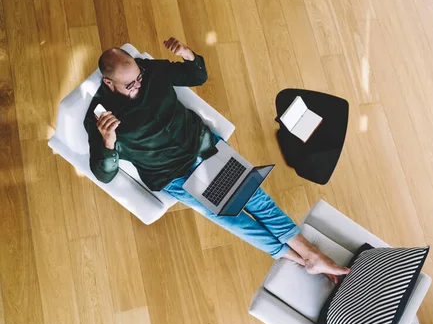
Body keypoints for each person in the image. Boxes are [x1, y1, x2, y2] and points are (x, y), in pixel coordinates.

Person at [84, 37, 350, 283]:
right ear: (108, 83)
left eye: (139, 77)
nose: (139, 85)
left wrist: (188, 55)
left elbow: (196, 75)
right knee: (232, 218)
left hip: (202, 145)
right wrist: (108, 143)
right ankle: (301, 259)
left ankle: (311, 255)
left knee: (255, 198)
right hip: (173, 174)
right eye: (130, 85)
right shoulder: (100, 119)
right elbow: (103, 173)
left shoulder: (149, 71)